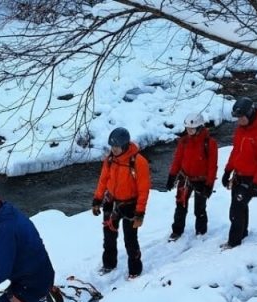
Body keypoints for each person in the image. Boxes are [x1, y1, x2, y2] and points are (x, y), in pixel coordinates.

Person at [91, 127, 151, 277]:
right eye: (112, 146)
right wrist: (97, 199)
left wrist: (140, 213)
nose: (114, 149)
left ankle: (135, 270)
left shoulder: (138, 162)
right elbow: (103, 180)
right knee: (109, 237)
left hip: (130, 205)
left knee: (130, 240)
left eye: (117, 147)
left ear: (124, 145)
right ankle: (109, 264)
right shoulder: (110, 160)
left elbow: (144, 189)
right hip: (111, 202)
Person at [221, 96, 257, 248]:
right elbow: (236, 152)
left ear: (250, 114)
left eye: (241, 117)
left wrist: (256, 183)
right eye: (237, 118)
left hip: (251, 178)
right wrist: (227, 170)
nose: (239, 121)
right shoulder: (240, 130)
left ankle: (233, 242)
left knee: (236, 210)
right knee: (240, 207)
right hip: (238, 176)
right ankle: (242, 233)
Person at [165, 112, 218, 241]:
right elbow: (177, 160)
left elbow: (212, 166)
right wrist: (172, 176)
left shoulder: (209, 143)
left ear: (199, 127)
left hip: (201, 180)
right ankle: (177, 231)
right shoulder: (183, 141)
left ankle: (200, 232)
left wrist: (209, 185)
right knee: (180, 206)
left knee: (199, 208)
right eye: (187, 128)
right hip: (185, 178)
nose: (189, 131)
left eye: (192, 129)